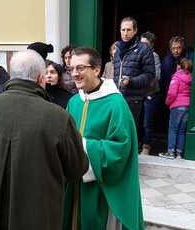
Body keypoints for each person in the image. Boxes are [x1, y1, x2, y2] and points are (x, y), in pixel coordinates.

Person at [0, 50, 88, 230]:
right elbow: (77, 168)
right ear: (41, 79)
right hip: (40, 215)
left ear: (12, 75)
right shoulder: (59, 117)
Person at [63, 47, 144, 230]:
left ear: (97, 70)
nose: (74, 74)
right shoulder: (74, 101)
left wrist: (81, 146)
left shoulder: (115, 104)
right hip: (74, 183)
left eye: (80, 68)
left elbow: (122, 148)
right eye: (71, 68)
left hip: (99, 186)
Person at [113, 17, 155, 131]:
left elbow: (150, 75)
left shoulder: (144, 49)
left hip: (133, 99)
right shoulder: (117, 50)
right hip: (116, 97)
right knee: (116, 130)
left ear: (135, 31)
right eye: (123, 30)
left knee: (129, 131)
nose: (125, 33)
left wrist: (131, 81)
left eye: (128, 30)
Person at [159, 58, 192, 159]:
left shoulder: (176, 77)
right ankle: (179, 153)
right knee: (182, 130)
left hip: (177, 107)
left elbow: (172, 93)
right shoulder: (191, 78)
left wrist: (167, 102)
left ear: (179, 66)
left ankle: (170, 152)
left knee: (173, 129)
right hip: (187, 106)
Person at [139, 32, 161, 155]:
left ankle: (146, 146)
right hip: (137, 94)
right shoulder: (137, 54)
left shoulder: (154, 56)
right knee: (136, 120)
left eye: (145, 44)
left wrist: (140, 79)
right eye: (141, 43)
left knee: (147, 122)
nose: (142, 46)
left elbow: (156, 76)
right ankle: (137, 144)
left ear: (151, 45)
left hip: (150, 94)